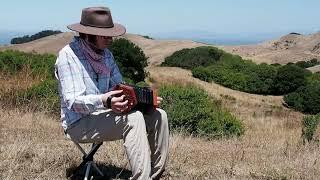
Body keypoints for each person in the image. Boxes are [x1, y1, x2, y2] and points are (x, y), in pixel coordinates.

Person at [54, 7, 169, 180]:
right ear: (87, 34)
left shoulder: (106, 55)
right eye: (104, 35)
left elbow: (118, 87)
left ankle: (155, 174)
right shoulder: (68, 56)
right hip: (78, 123)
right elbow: (73, 101)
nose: (110, 39)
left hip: (104, 115)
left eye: (110, 34)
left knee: (159, 115)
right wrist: (105, 101)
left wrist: (145, 101)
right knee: (133, 118)